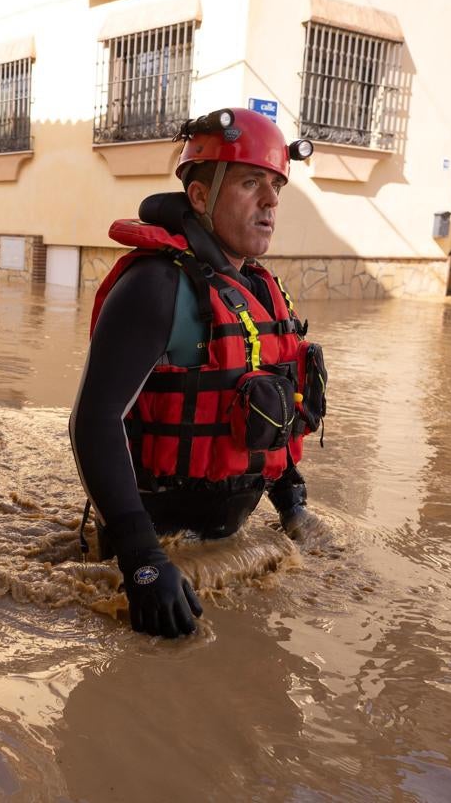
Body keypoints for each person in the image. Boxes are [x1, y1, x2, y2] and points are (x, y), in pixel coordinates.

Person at [69, 108, 328, 639]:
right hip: (150, 560)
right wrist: (142, 563)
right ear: (200, 198)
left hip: (228, 549)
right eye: (251, 182)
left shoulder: (257, 289)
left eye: (276, 185)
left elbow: (268, 412)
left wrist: (294, 508)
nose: (271, 200)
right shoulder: (156, 286)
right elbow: (93, 422)